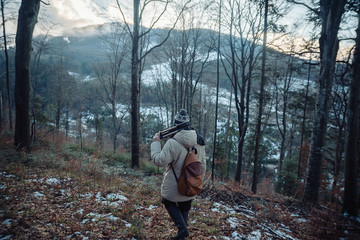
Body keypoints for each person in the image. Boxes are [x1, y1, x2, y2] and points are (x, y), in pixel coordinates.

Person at [151, 109, 206, 240]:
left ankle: (182, 229)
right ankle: (182, 234)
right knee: (185, 205)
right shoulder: (200, 142)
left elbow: (159, 161)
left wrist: (155, 142)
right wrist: (197, 181)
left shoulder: (172, 142)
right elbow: (202, 165)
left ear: (175, 124)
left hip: (174, 186)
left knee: (167, 200)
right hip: (191, 184)